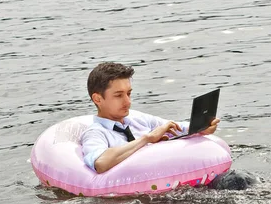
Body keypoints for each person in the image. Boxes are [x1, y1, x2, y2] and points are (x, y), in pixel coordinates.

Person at [81, 62, 220, 174]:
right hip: (142, 197)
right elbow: (100, 162)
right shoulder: (95, 133)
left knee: (235, 181)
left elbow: (176, 127)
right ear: (98, 99)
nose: (128, 102)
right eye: (119, 95)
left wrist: (202, 127)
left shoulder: (138, 119)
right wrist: (147, 139)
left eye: (129, 93)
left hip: (171, 182)